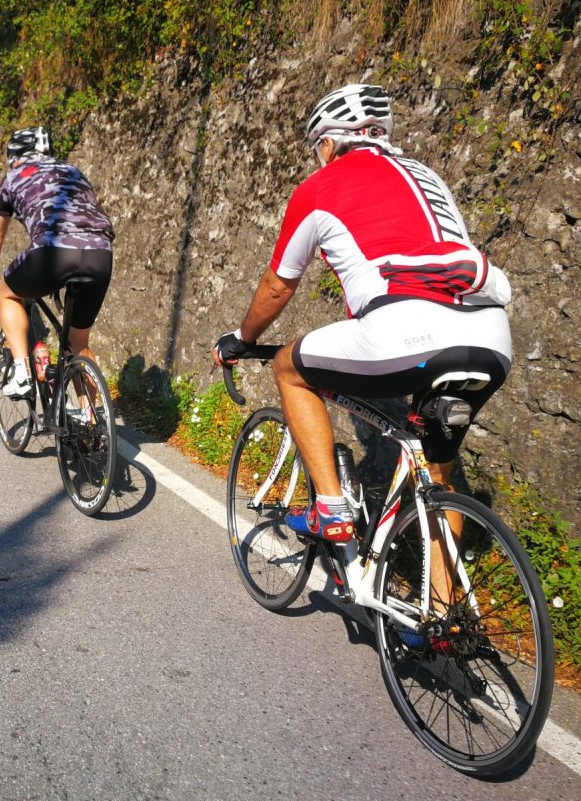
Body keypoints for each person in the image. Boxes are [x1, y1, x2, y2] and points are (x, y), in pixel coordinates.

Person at [211, 83, 513, 551]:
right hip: (490, 335)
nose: (317, 157)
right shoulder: (427, 175)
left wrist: (241, 338)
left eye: (318, 148)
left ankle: (330, 507)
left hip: (405, 329)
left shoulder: (319, 187)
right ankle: (442, 618)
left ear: (329, 142)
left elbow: (279, 285)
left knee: (289, 368)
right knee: (438, 475)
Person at [0, 127, 115, 399]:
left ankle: (22, 371)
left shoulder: (12, 178)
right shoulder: (73, 170)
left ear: (14, 156)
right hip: (100, 252)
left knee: (8, 292)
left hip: (52, 251)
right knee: (78, 343)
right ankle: (90, 417)